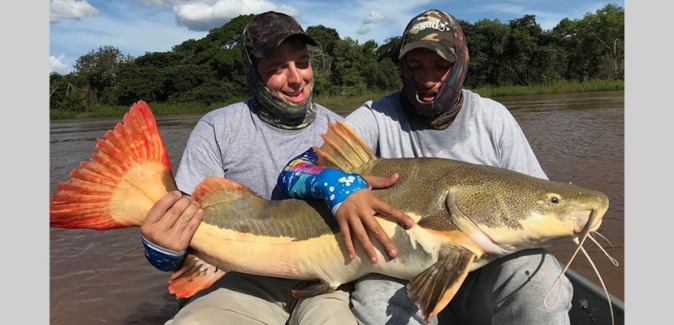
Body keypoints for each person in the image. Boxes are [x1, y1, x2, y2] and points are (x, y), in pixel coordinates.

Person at [276, 8, 573, 325]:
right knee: (377, 302)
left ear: (461, 64)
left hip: (487, 271)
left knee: (541, 280)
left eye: (441, 66)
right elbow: (293, 171)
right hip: (398, 267)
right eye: (414, 66)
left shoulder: (493, 118)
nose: (426, 79)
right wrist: (339, 188)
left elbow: (542, 203)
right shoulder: (377, 118)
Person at [136, 11, 414, 325]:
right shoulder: (218, 127)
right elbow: (184, 226)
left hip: (327, 279)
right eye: (277, 68)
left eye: (302, 62)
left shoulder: (339, 131)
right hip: (239, 278)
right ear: (253, 74)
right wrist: (163, 250)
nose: (296, 78)